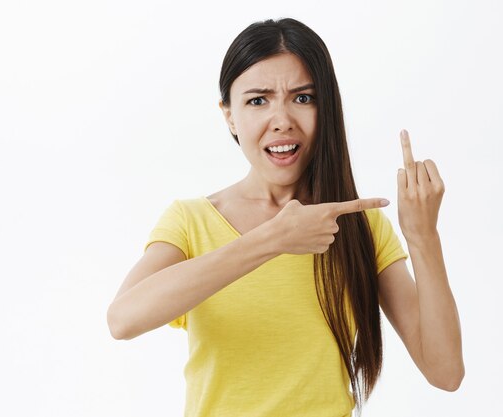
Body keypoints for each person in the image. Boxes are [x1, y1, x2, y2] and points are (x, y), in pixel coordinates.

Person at [107, 17, 464, 417]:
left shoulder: (357, 225)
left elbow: (445, 371)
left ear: (325, 107)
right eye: (258, 100)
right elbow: (123, 319)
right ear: (229, 115)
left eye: (303, 98)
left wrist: (422, 236)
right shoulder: (191, 221)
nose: (282, 120)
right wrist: (272, 240)